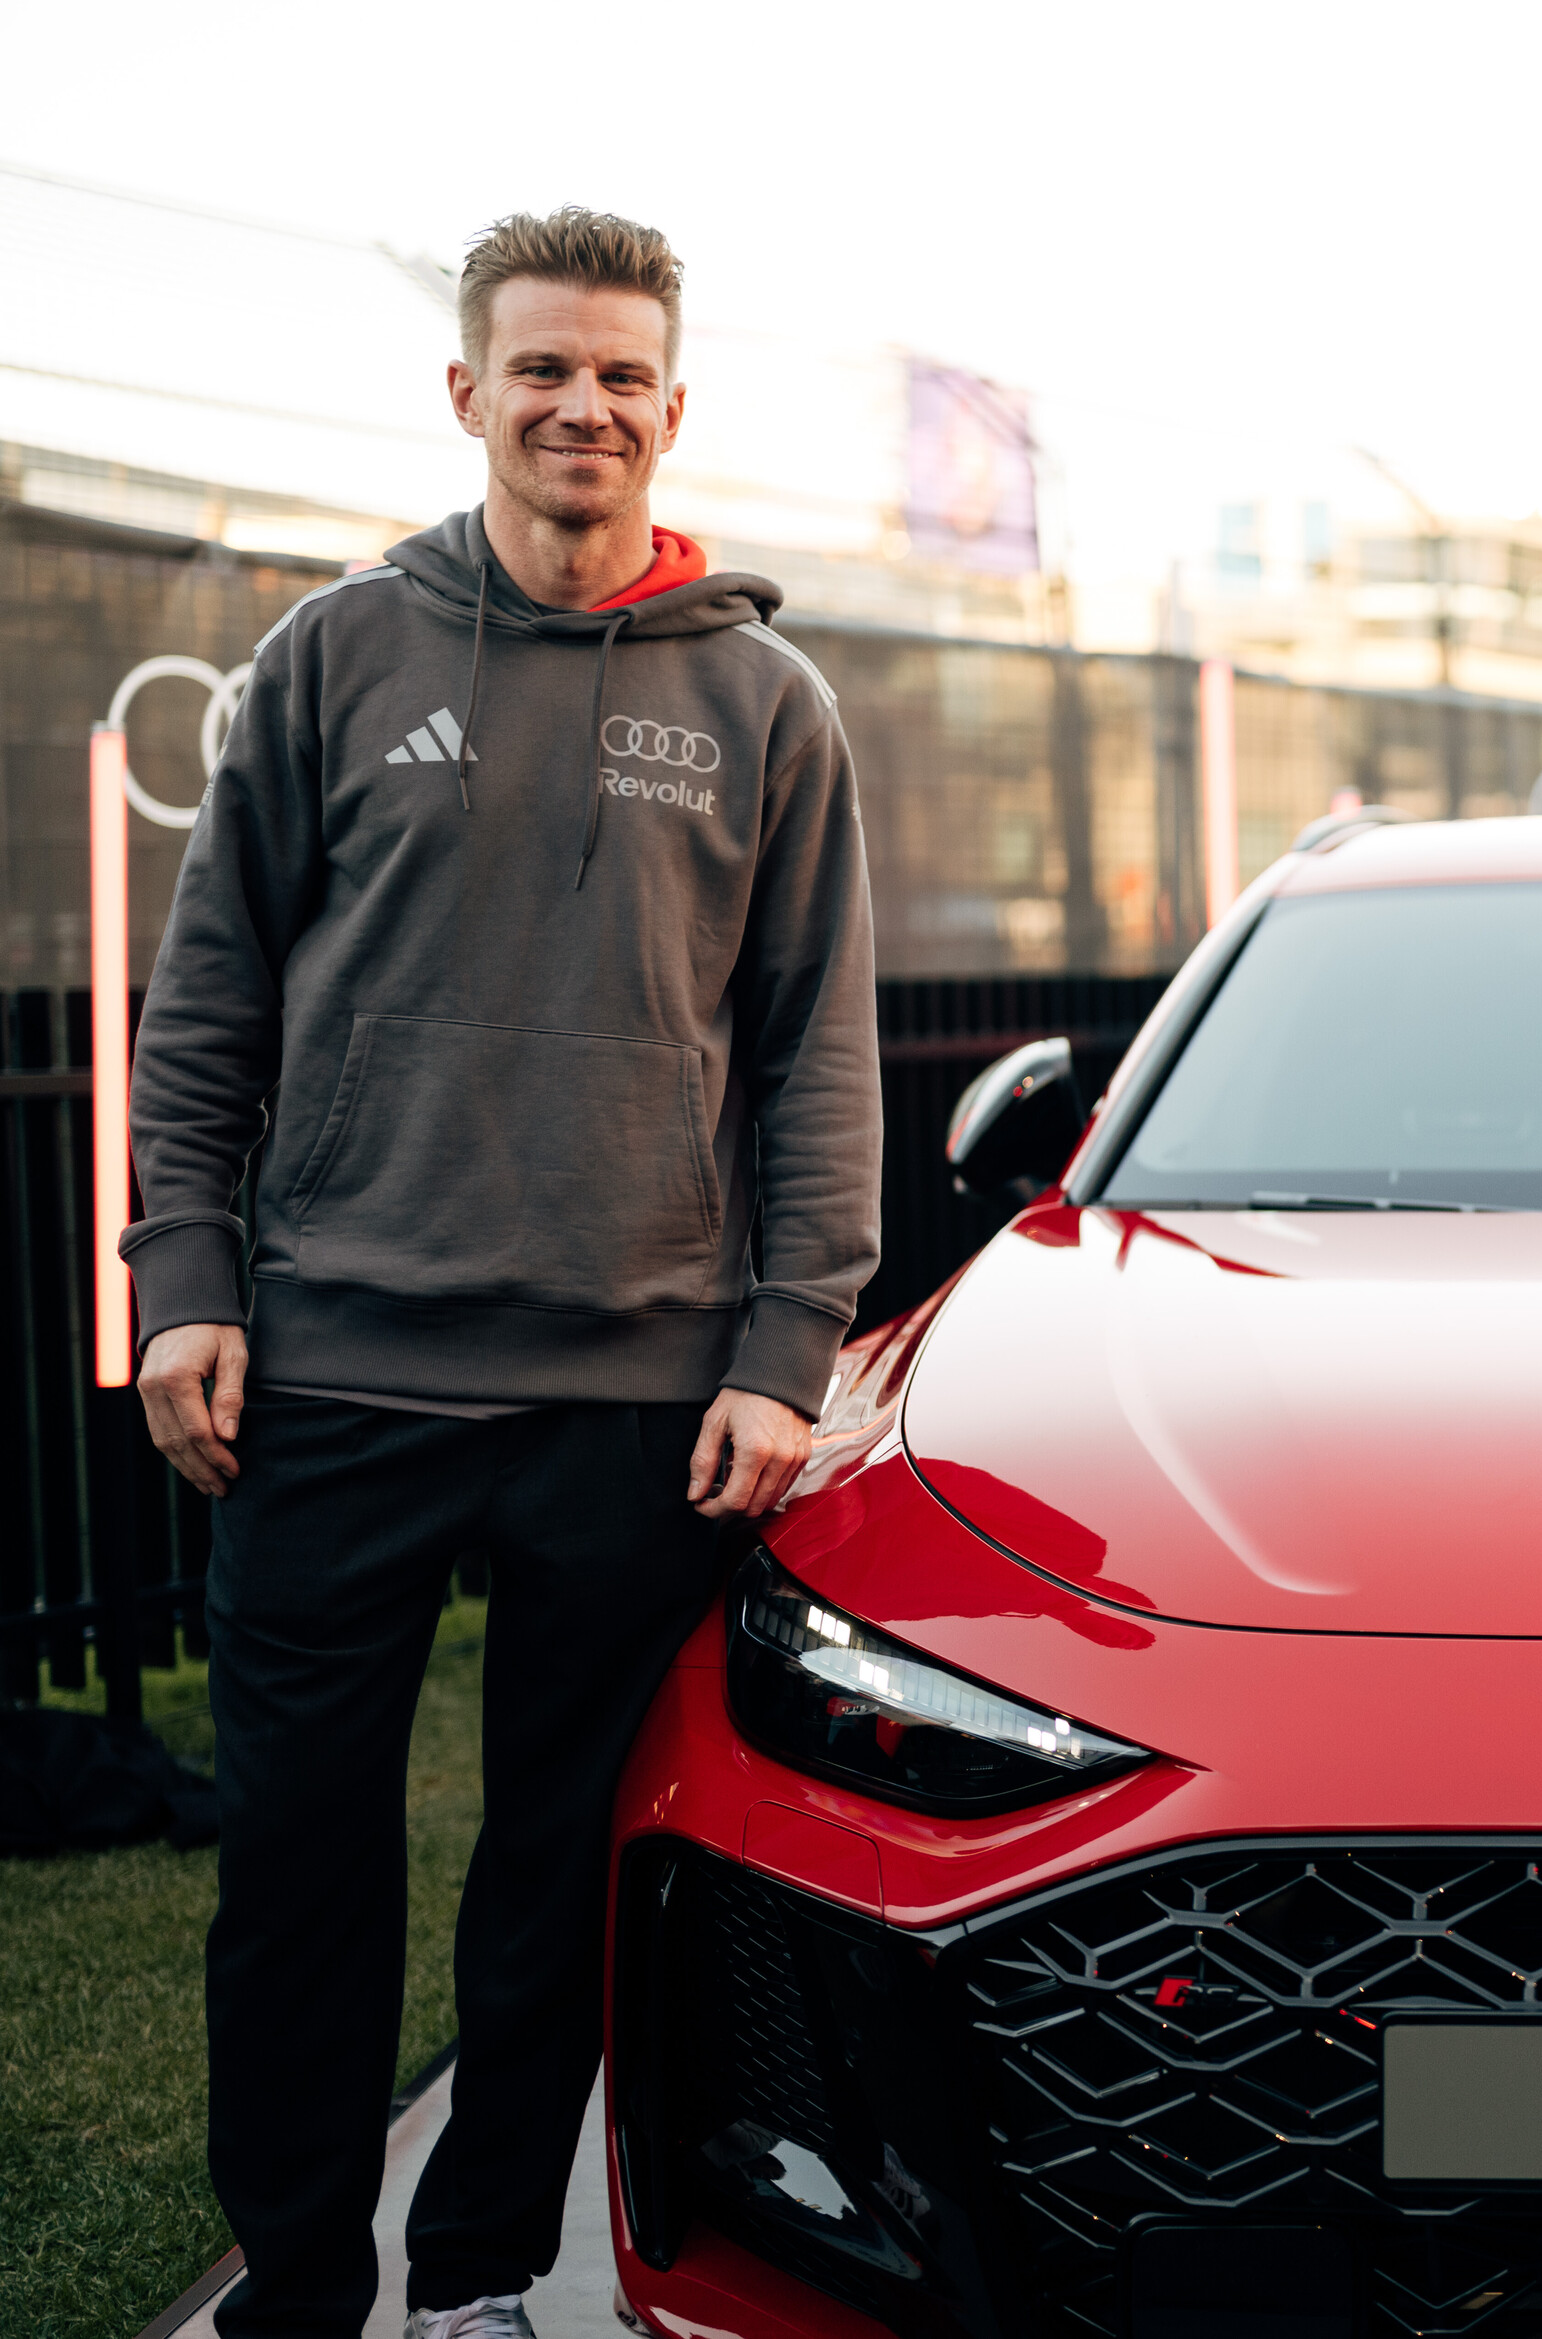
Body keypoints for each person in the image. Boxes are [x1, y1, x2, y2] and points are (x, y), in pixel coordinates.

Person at [121, 209, 880, 2339]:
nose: (581, 406)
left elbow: (814, 1050)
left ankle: (472, 2276)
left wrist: (785, 1343)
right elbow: (206, 1006)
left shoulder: (766, 700)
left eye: (621, 374)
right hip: (334, 1372)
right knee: (297, 1870)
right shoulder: (333, 659)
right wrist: (184, 1273)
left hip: (634, 1399)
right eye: (542, 367)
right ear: (469, 391)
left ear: (671, 408)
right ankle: (294, 2288)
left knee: (557, 1875)